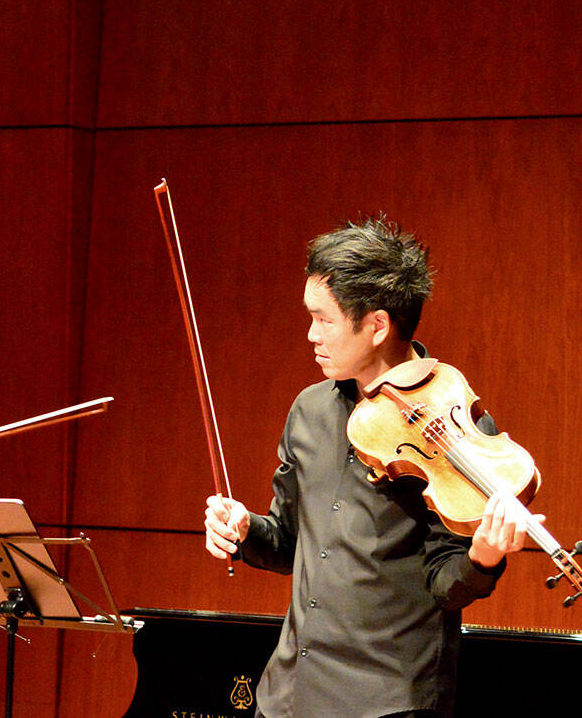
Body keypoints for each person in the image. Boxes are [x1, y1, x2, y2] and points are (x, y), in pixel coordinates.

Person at [203, 218, 535, 718]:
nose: (311, 334)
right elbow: (290, 543)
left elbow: (446, 584)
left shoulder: (459, 426)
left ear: (377, 325)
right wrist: (246, 527)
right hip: (290, 694)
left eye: (325, 319)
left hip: (385, 702)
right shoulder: (310, 411)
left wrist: (483, 556)